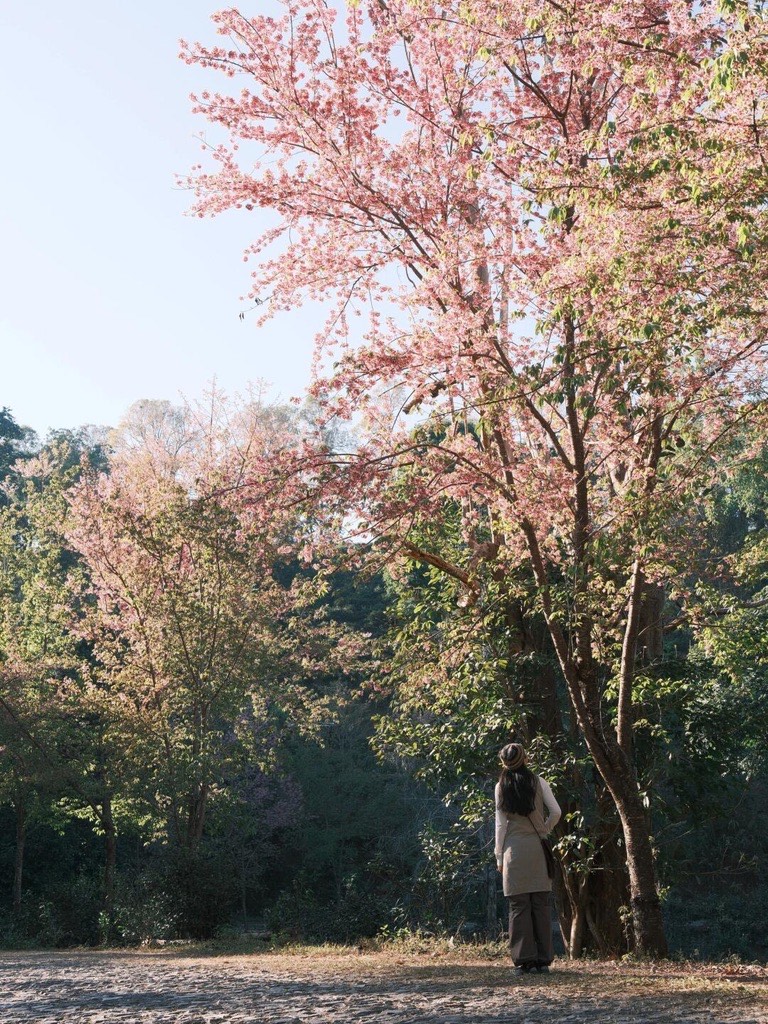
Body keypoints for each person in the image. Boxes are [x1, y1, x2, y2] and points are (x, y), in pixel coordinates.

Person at [495, 742, 561, 975]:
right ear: (525, 759)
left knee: (518, 906)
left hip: (513, 850)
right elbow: (556, 812)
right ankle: (543, 961)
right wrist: (545, 829)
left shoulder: (500, 787)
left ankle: (524, 961)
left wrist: (499, 855)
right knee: (541, 905)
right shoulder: (539, 782)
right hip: (538, 847)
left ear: (504, 763)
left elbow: (501, 825)